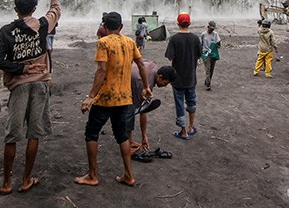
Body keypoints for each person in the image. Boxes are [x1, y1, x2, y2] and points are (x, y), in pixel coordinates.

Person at [0, 0, 60, 195]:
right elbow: (56, 8)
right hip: (40, 84)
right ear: (33, 8)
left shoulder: (6, 31)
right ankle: (26, 179)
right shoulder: (42, 25)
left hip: (18, 86)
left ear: (15, 9)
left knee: (12, 135)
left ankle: (6, 183)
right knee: (34, 134)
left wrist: (19, 69)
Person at [75, 12, 152, 188]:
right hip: (124, 98)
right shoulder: (129, 42)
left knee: (91, 133)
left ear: (104, 26)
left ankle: (93, 175)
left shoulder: (103, 43)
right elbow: (141, 64)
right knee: (122, 136)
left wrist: (91, 97)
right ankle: (128, 175)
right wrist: (146, 87)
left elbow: (101, 71)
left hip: (105, 98)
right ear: (121, 27)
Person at [164, 12, 202, 140]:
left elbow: (170, 57)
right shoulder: (195, 39)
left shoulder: (174, 39)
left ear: (178, 24)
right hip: (191, 77)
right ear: (189, 23)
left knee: (179, 103)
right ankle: (191, 127)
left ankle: (184, 131)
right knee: (191, 102)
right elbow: (199, 55)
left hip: (177, 78)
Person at [127, 61, 177, 152]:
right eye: (165, 83)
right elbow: (142, 111)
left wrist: (144, 136)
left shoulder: (154, 66)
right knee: (129, 112)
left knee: (132, 109)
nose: (165, 86)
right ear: (160, 77)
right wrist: (143, 136)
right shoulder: (144, 84)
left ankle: (129, 141)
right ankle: (126, 145)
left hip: (128, 72)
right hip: (121, 81)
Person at [200, 20, 222, 91]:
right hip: (205, 54)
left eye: (213, 29)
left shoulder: (215, 34)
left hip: (213, 54)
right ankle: (208, 84)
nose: (212, 30)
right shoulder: (203, 34)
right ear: (208, 27)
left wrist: (218, 43)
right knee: (208, 69)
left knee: (211, 70)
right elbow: (200, 44)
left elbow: (218, 45)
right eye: (211, 28)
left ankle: (207, 81)